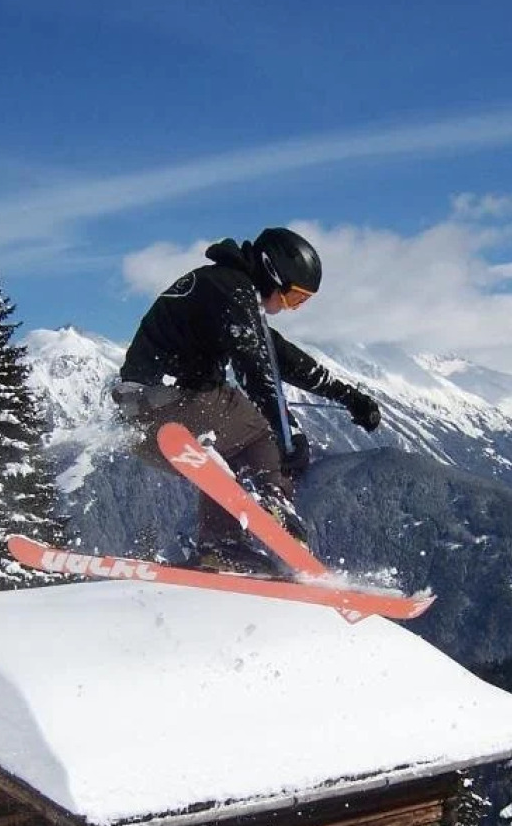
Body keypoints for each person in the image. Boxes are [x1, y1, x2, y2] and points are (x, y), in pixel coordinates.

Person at [112, 227, 381, 574]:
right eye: (294, 296)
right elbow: (257, 371)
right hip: (171, 404)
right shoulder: (231, 291)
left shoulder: (227, 289)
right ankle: (272, 504)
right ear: (273, 273)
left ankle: (219, 547)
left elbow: (279, 356)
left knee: (223, 458)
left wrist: (349, 397)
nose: (289, 308)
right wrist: (288, 436)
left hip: (147, 414)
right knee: (258, 435)